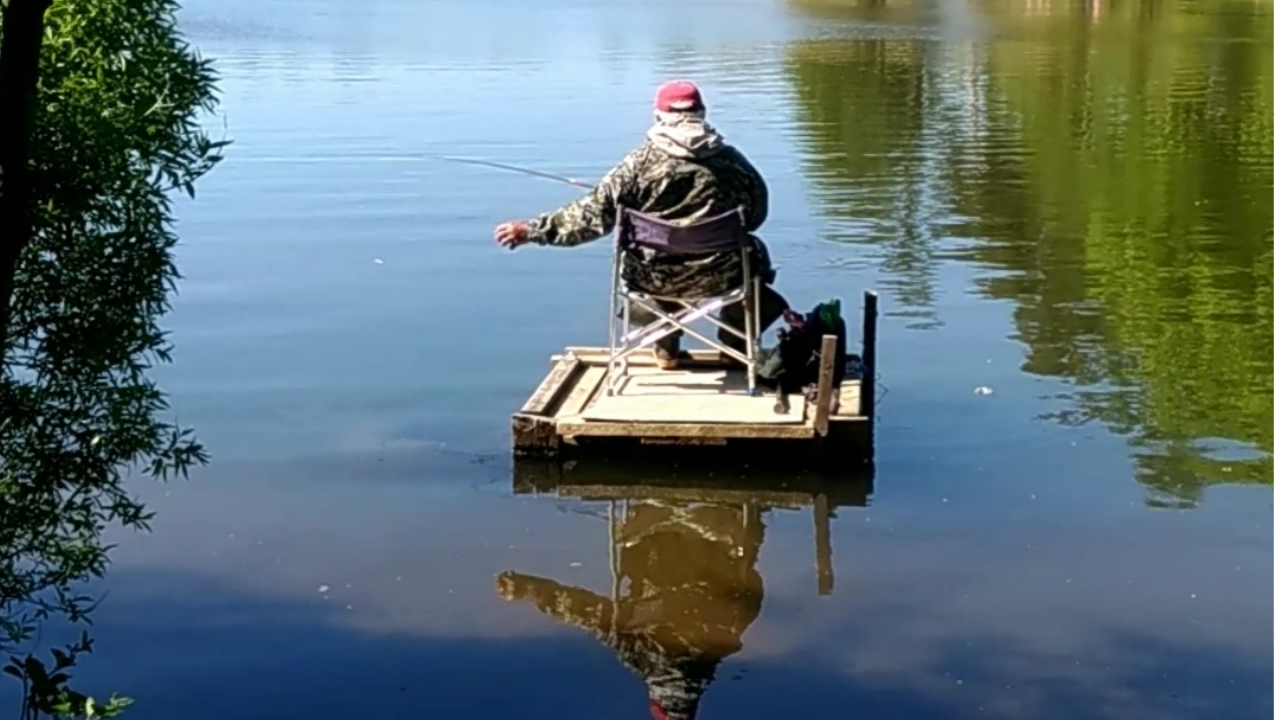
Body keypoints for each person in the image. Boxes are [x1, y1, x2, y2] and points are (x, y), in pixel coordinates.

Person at [493, 79, 790, 370]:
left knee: (648, 256)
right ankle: (735, 347)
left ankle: (666, 347)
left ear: (658, 115)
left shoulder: (637, 164)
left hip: (652, 276)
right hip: (724, 275)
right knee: (755, 251)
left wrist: (532, 230)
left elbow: (591, 217)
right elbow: (756, 216)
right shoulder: (734, 162)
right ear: (701, 113)